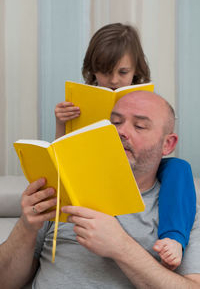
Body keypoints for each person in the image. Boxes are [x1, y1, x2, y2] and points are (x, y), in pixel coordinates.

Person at [1, 91, 200, 289]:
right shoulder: (64, 190)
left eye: (139, 126)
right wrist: (25, 228)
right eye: (114, 122)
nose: (120, 131)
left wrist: (121, 247)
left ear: (168, 144)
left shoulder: (183, 212)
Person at [54, 23, 196, 269]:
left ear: (136, 70)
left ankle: (173, 236)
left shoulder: (145, 98)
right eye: (104, 72)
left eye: (122, 72)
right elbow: (64, 150)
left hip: (136, 163)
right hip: (94, 161)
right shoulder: (83, 99)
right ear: (92, 69)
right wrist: (61, 123)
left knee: (179, 167)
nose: (113, 81)